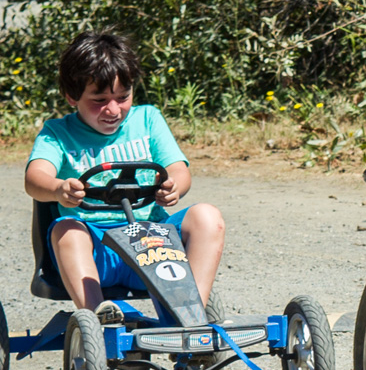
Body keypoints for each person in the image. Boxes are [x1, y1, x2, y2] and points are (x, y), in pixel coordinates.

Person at [24, 30, 226, 323]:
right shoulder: (58, 134)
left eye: (123, 97)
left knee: (207, 216)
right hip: (96, 251)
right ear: (72, 96)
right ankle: (97, 318)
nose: (113, 109)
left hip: (154, 245)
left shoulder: (147, 119)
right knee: (66, 229)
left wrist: (174, 186)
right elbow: (34, 177)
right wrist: (58, 189)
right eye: (99, 99)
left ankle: (189, 318)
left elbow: (178, 169)